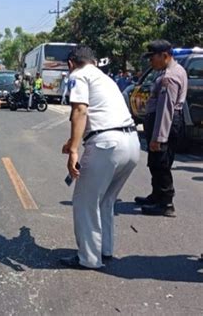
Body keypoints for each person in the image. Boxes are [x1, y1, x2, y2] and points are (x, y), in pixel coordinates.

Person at [60, 45, 140, 269]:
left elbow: (80, 111)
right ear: (94, 61)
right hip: (131, 143)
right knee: (106, 200)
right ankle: (105, 250)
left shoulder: (78, 75)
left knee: (85, 201)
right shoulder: (105, 78)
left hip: (106, 145)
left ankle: (88, 258)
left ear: (71, 63)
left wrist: (74, 150)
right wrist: (72, 143)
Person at [135, 40, 188, 217]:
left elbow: (166, 109)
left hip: (166, 123)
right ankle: (157, 195)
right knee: (156, 162)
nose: (151, 62)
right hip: (167, 122)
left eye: (152, 58)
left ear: (164, 56)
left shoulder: (169, 77)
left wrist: (159, 137)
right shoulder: (175, 70)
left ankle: (166, 203)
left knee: (161, 163)